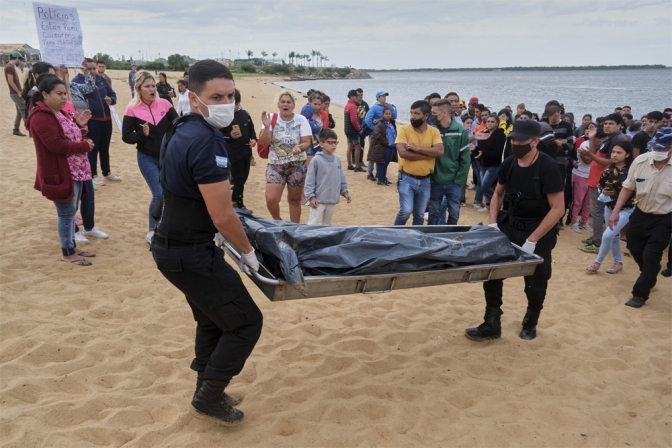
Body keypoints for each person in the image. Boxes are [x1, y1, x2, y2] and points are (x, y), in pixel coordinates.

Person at [150, 59, 263, 425]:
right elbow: (223, 215)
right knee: (247, 322)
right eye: (216, 96)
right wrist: (248, 253)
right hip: (189, 252)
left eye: (230, 95)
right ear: (195, 97)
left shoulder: (179, 128)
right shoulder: (206, 140)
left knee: (213, 319)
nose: (225, 103)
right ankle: (209, 396)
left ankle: (206, 386)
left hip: (172, 246)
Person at [465, 119, 564, 341]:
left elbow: (558, 209)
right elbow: (498, 194)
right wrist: (492, 224)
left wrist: (533, 239)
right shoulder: (509, 163)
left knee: (537, 280)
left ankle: (531, 320)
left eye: (521, 140)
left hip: (539, 229)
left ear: (535, 141)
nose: (515, 143)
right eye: (513, 139)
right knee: (492, 273)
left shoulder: (548, 167)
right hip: (509, 224)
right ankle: (492, 322)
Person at [25, 75, 96, 266]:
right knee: (66, 213)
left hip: (74, 170)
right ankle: (67, 252)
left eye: (65, 93)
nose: (64, 97)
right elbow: (55, 144)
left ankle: (71, 246)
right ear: (45, 94)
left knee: (72, 212)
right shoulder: (41, 116)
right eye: (59, 94)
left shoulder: (58, 112)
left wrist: (79, 128)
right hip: (61, 172)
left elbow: (66, 135)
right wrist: (83, 146)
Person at [607, 127, 672, 308]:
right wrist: (615, 212)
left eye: (662, 149)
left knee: (652, 254)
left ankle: (639, 295)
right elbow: (628, 187)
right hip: (640, 213)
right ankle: (649, 272)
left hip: (664, 218)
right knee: (634, 248)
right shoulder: (641, 161)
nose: (657, 152)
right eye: (655, 148)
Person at [122, 71, 178, 243]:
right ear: (139, 89)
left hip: (167, 157)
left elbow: (177, 124)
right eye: (147, 86)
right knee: (159, 193)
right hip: (147, 157)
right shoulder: (132, 109)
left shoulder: (165, 104)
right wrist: (141, 134)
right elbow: (126, 137)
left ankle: (166, 226)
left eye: (153, 85)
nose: (152, 89)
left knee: (170, 193)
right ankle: (152, 230)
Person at [258, 91, 311, 223]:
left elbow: (306, 142)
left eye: (289, 102)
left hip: (297, 165)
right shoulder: (271, 118)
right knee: (271, 199)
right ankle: (278, 222)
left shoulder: (301, 120)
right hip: (275, 165)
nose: (285, 104)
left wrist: (300, 148)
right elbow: (264, 142)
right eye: (283, 102)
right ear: (278, 105)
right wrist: (266, 126)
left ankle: (294, 229)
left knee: (294, 200)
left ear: (293, 105)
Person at [578, 114, 626, 254]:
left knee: (598, 212)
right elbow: (596, 153)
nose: (607, 126)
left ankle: (597, 243)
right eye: (605, 123)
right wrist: (592, 138)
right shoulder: (609, 138)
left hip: (604, 181)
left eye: (611, 123)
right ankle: (596, 237)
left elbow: (609, 162)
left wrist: (589, 155)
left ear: (619, 126)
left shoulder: (618, 139)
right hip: (597, 179)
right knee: (598, 211)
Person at [586, 141, 635, 274]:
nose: (615, 155)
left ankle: (597, 262)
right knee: (614, 236)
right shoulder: (607, 170)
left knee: (608, 235)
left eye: (619, 152)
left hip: (627, 209)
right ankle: (618, 262)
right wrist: (603, 192)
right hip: (609, 207)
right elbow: (600, 186)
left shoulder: (632, 171)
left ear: (627, 154)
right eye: (613, 152)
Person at [393, 100, 443, 225]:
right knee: (406, 210)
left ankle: (416, 239)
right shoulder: (404, 130)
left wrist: (416, 148)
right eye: (411, 113)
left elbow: (440, 151)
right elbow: (403, 153)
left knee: (419, 215)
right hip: (406, 178)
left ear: (426, 116)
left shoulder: (434, 132)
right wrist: (428, 155)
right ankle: (393, 234)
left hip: (426, 181)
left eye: (416, 113)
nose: (412, 117)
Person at [72, 58, 120, 186]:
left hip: (107, 119)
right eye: (90, 69)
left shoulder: (102, 79)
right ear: (83, 68)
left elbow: (112, 94)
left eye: (94, 68)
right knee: (93, 148)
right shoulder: (76, 82)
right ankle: (93, 175)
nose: (93, 71)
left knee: (105, 148)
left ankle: (107, 172)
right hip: (92, 120)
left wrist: (112, 99)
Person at [427, 99, 470, 225]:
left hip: (454, 182)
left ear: (444, 113)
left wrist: (458, 181)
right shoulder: (433, 130)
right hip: (435, 181)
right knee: (433, 213)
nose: (432, 116)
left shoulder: (460, 131)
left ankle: (451, 236)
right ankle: (431, 237)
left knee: (454, 213)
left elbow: (465, 159)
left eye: (434, 113)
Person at [304, 129, 351, 225]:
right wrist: (311, 197)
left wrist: (345, 192)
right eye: (330, 142)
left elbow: (341, 177)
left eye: (335, 142)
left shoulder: (337, 159)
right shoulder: (316, 160)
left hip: (332, 199)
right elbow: (309, 180)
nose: (333, 145)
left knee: (327, 225)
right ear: (321, 144)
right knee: (312, 223)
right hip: (318, 200)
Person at [221, 89, 257, 212]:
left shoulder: (245, 114)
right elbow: (219, 134)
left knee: (243, 178)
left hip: (246, 151)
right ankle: (238, 203)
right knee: (239, 179)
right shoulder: (224, 117)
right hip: (232, 153)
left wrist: (254, 139)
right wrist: (230, 136)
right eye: (231, 104)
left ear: (239, 102)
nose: (234, 107)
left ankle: (235, 200)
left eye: (236, 104)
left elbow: (251, 129)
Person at [569, 124, 601, 233]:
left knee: (588, 202)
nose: (600, 140)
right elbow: (587, 160)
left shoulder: (601, 148)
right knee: (577, 201)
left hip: (591, 177)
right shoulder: (584, 145)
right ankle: (573, 222)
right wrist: (597, 154)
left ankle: (584, 222)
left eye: (602, 138)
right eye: (598, 138)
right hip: (580, 175)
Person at [473, 114, 506, 212]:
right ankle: (489, 206)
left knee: (485, 186)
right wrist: (475, 149)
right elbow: (481, 149)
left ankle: (502, 203)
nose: (490, 123)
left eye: (492, 122)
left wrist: (482, 153)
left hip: (494, 165)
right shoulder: (484, 133)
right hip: (483, 164)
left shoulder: (500, 135)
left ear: (497, 123)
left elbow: (498, 152)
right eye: (488, 121)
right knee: (484, 186)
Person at [368, 107, 397, 186]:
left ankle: (384, 179)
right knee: (381, 163)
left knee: (386, 163)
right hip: (383, 146)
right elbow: (377, 134)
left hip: (391, 146)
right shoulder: (380, 123)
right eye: (386, 114)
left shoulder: (392, 122)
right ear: (383, 114)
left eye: (389, 114)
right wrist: (386, 142)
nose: (388, 115)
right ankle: (380, 180)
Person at [300, 92, 325, 166]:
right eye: (315, 104)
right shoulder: (305, 115)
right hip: (309, 144)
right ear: (310, 102)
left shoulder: (322, 116)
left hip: (320, 144)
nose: (317, 107)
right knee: (309, 168)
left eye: (319, 104)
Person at [6, 51, 26, 136]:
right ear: (17, 58)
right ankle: (31, 130)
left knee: (19, 112)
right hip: (15, 93)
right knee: (24, 110)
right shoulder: (9, 67)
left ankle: (16, 129)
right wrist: (18, 91)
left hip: (14, 93)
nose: (20, 61)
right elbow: (10, 81)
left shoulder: (10, 66)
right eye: (20, 59)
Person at [344, 89, 363, 171]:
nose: (358, 97)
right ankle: (357, 166)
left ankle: (349, 165)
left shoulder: (347, 105)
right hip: (353, 130)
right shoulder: (352, 106)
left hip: (347, 129)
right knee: (357, 147)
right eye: (356, 96)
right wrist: (359, 129)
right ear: (352, 97)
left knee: (350, 146)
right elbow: (354, 120)